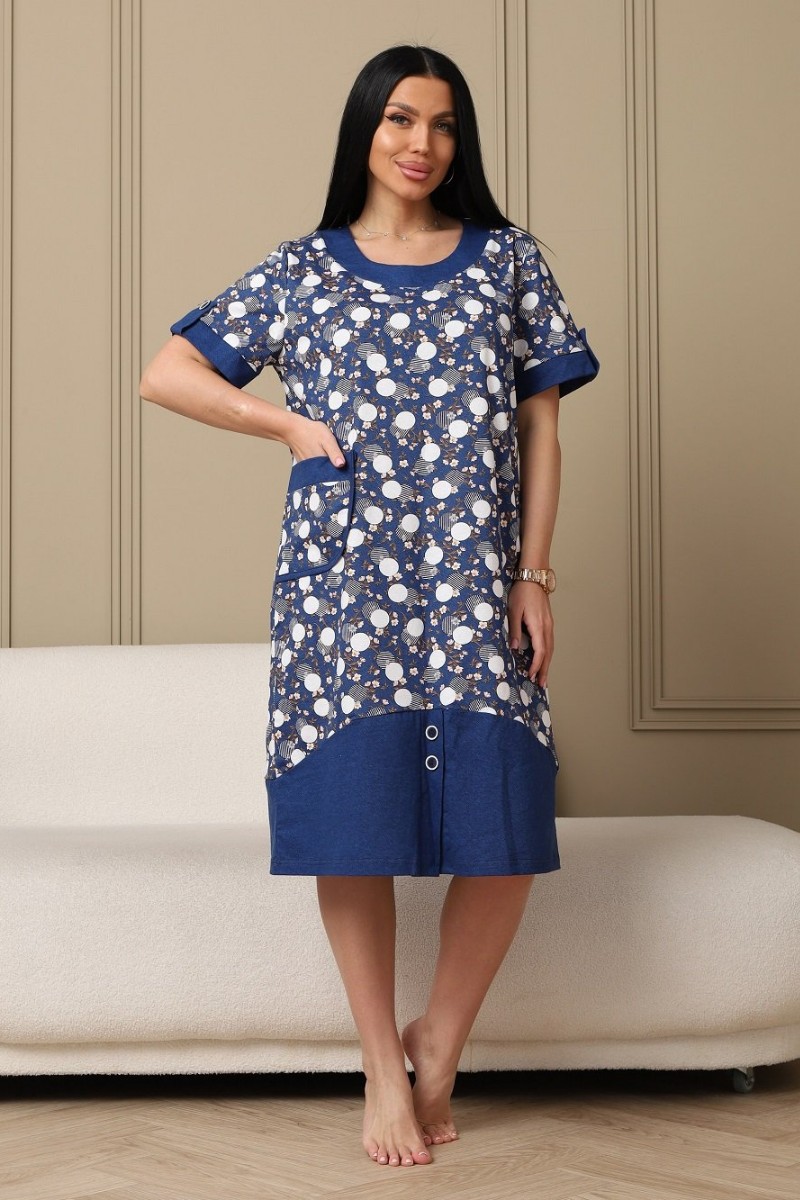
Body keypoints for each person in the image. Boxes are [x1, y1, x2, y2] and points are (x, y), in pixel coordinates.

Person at [140, 43, 599, 1169]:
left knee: (504, 822)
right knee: (353, 820)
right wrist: (287, 426)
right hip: (341, 583)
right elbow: (167, 372)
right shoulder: (303, 269)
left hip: (474, 580)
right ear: (364, 129)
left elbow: (541, 428)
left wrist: (532, 574)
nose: (420, 144)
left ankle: (436, 1041)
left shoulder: (507, 262)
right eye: (399, 119)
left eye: (442, 125)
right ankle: (378, 1067)